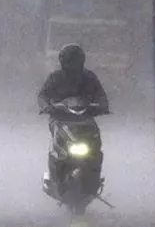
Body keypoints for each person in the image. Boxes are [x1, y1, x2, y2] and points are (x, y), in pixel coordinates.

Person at [38, 43, 109, 189]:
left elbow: (101, 95)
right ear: (63, 62)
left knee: (96, 141)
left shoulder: (89, 77)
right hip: (60, 118)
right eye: (70, 62)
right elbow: (43, 95)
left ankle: (94, 177)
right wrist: (46, 106)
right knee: (58, 143)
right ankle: (56, 175)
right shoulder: (55, 78)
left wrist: (103, 106)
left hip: (85, 119)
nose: (73, 66)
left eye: (75, 62)